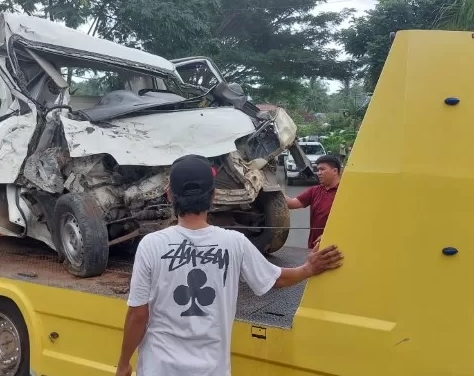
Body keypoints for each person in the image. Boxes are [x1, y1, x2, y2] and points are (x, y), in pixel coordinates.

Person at [115, 154, 344, 376]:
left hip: (160, 368)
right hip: (211, 370)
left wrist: (124, 363)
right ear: (213, 196)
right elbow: (275, 279)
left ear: (169, 196)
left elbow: (138, 314)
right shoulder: (233, 242)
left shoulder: (151, 245)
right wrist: (309, 268)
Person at [286, 154, 342, 249]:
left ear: (335, 171)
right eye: (318, 170)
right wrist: (273, 189)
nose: (318, 173)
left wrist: (329, 236)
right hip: (314, 246)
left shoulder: (344, 192)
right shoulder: (314, 191)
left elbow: (351, 222)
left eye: (322, 169)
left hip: (336, 246)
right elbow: (291, 203)